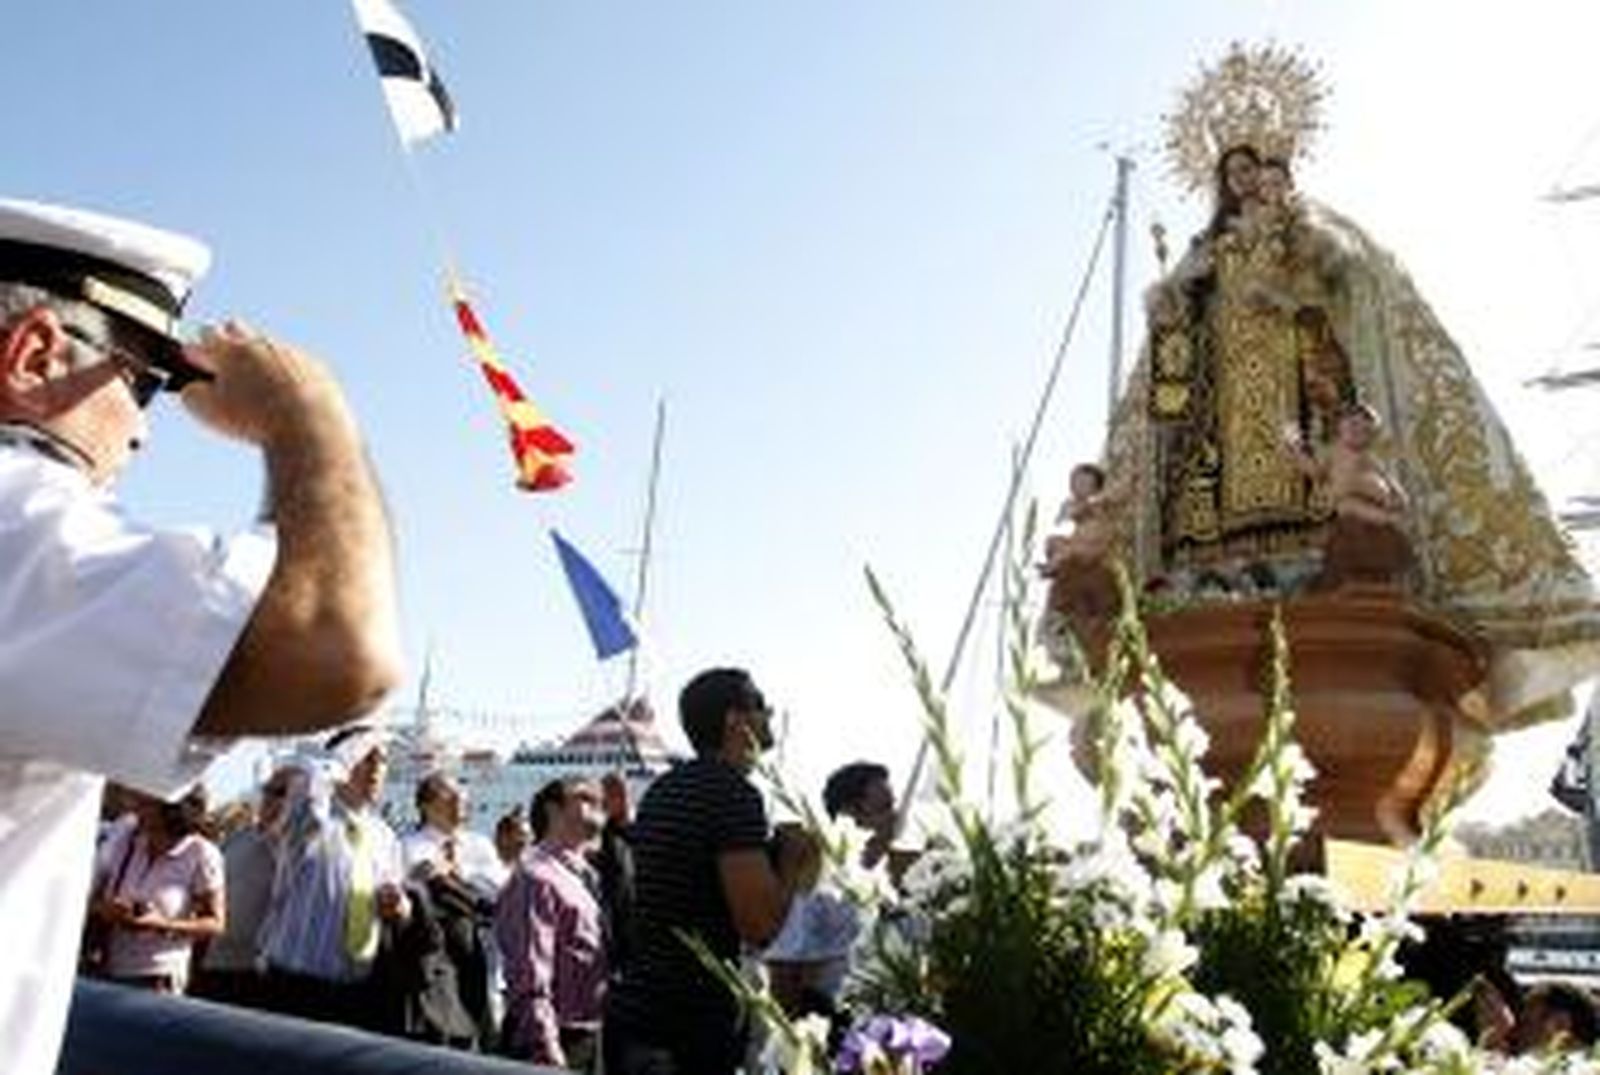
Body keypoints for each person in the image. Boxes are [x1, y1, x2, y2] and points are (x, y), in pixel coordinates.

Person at [0, 197, 400, 1074]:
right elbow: (339, 649)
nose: (143, 430)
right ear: (33, 356)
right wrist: (308, 413)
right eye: (143, 379)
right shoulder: (17, 518)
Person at [1099, 43, 1600, 725]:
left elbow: (1352, 274)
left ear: (1275, 169)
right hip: (1231, 392)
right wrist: (1173, 300)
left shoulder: (1310, 224)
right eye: (1232, 172)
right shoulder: (1205, 249)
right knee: (1217, 483)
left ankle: (1318, 558)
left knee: (1314, 467)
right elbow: (1179, 322)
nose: (1243, 181)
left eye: (1252, 168)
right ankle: (1218, 571)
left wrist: (1297, 262)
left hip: (1299, 367)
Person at [604, 668, 821, 1075]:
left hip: (639, 1014)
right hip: (687, 1029)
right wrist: (794, 860)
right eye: (760, 705)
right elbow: (760, 926)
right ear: (734, 719)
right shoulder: (732, 793)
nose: (770, 713)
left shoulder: (663, 790)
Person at [256, 726, 412, 1032]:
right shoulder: (312, 816)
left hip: (356, 991)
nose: (376, 768)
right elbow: (310, 784)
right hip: (293, 985)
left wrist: (400, 907)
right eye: (366, 757)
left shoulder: (385, 837)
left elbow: (397, 901)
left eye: (382, 760)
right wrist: (335, 762)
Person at [765, 761, 895, 1017]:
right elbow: (784, 965)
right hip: (834, 1019)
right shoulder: (820, 882)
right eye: (884, 808)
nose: (895, 817)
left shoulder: (885, 879)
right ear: (848, 814)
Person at [497, 776, 607, 1070]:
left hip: (590, 1034)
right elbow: (529, 974)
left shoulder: (586, 877)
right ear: (553, 810)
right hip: (555, 1040)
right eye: (585, 797)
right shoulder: (536, 879)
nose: (598, 801)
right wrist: (545, 1049)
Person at [85, 785, 224, 994]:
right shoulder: (126, 839)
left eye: (146, 802)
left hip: (158, 977)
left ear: (173, 810)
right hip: (105, 968)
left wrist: (161, 924)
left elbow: (215, 923)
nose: (135, 807)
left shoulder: (201, 854)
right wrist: (106, 910)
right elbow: (88, 900)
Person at [401, 771, 506, 1047]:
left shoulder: (480, 845)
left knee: (476, 1034)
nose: (460, 797)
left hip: (479, 953)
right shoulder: (409, 847)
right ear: (425, 805)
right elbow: (418, 889)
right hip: (436, 958)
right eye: (448, 792)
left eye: (461, 791)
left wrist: (460, 872)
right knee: (440, 1036)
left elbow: (499, 891)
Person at [192, 764, 308, 1007]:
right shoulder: (239, 837)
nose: (269, 797)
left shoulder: (301, 852)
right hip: (212, 963)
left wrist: (282, 834)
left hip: (254, 974)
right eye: (268, 789)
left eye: (280, 792)